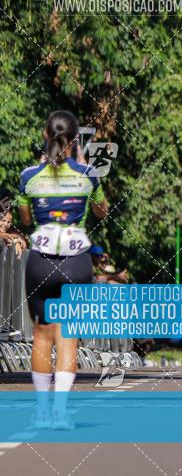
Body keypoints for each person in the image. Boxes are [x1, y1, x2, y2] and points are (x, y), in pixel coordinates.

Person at [18, 111, 109, 429]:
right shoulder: (88, 175)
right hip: (76, 261)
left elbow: (26, 219)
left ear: (45, 134)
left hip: (40, 260)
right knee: (68, 336)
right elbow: (102, 209)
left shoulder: (29, 175)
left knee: (42, 335)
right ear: (73, 142)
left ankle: (41, 412)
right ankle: (60, 413)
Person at [0, 190, 27, 255]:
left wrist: (16, 241)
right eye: (3, 220)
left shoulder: (10, 230)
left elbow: (18, 237)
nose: (6, 224)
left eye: (9, 222)